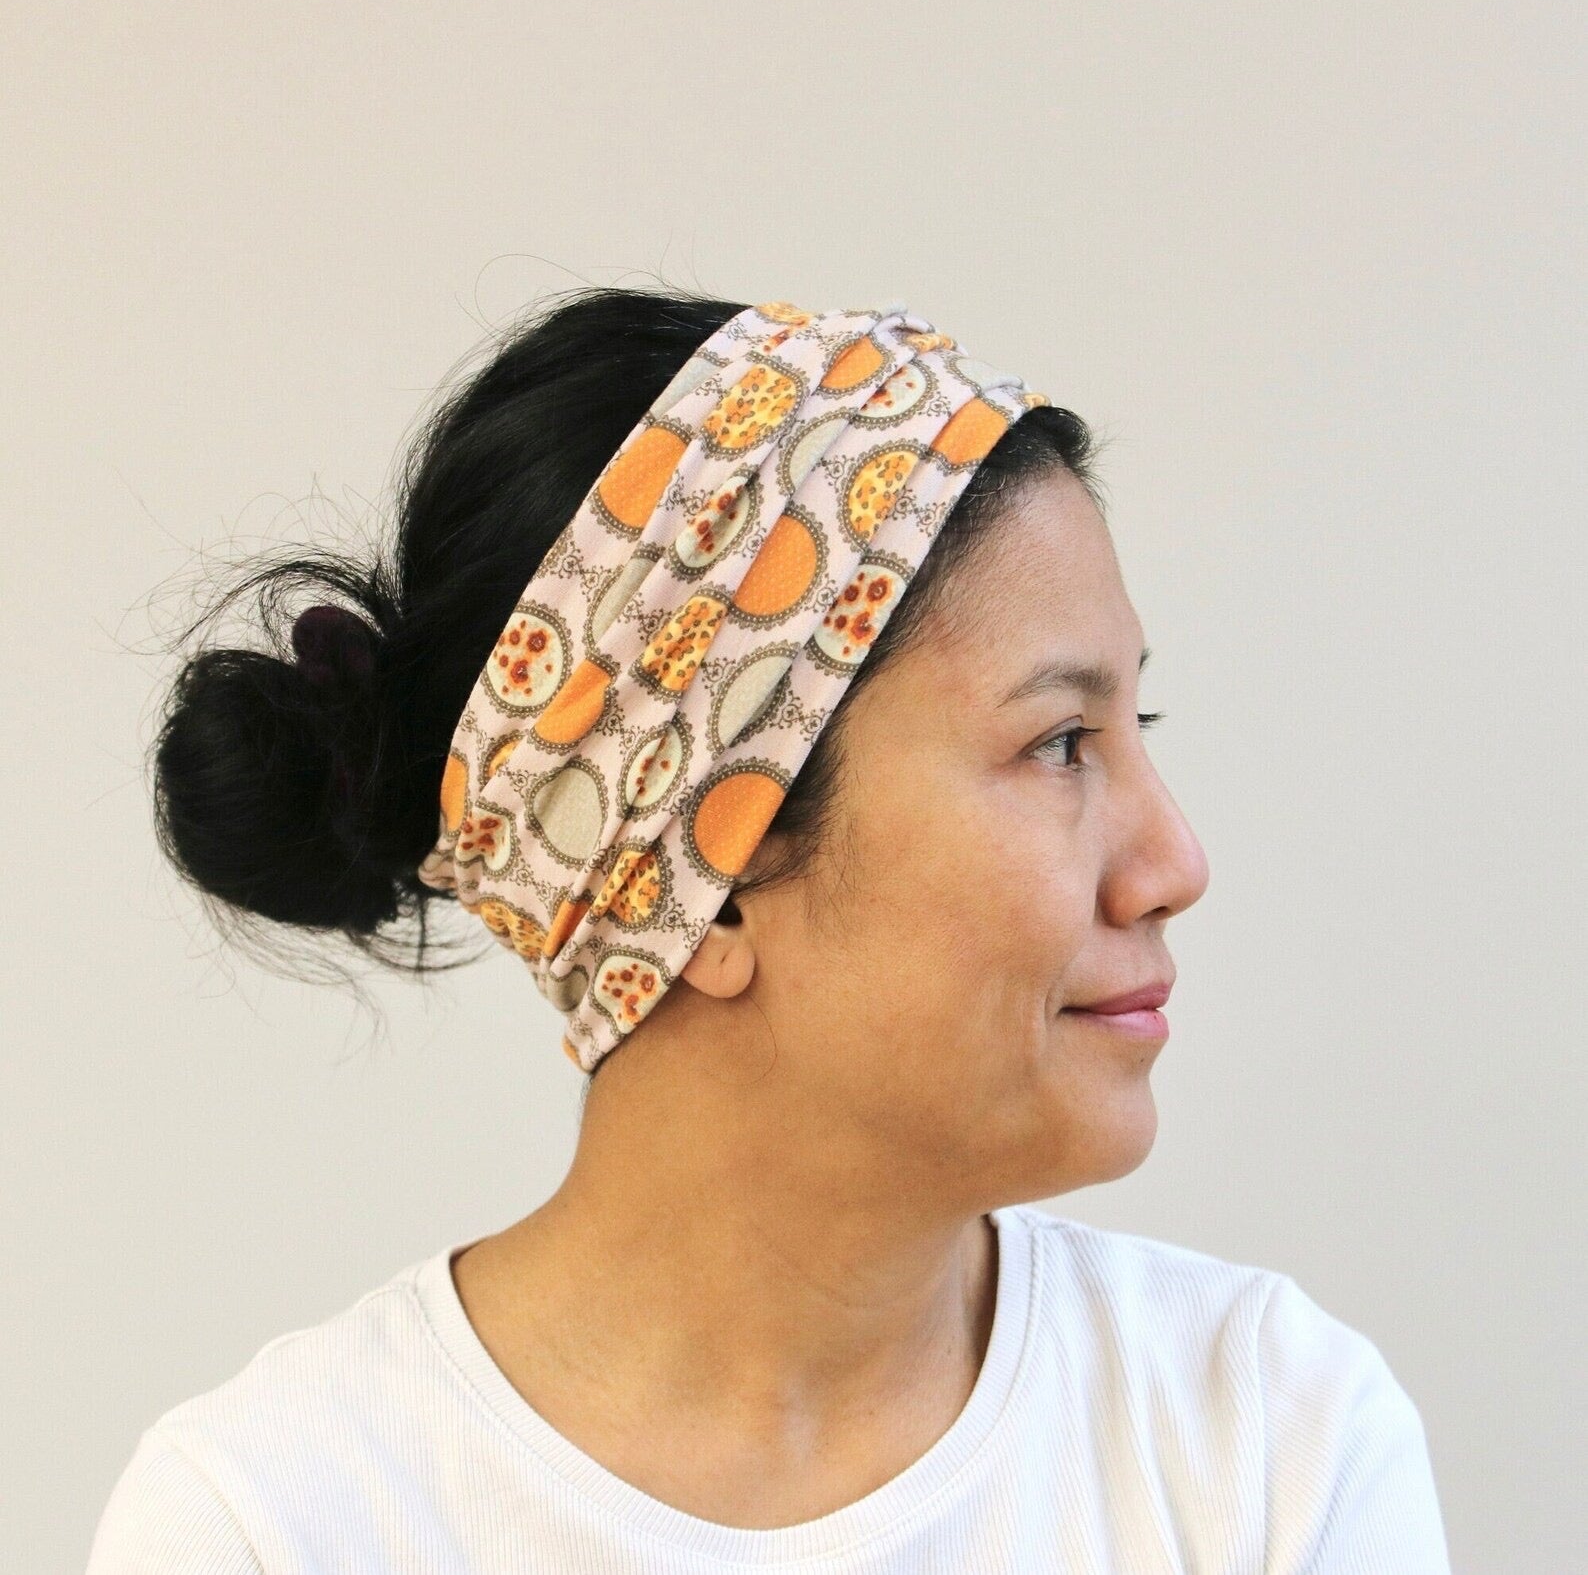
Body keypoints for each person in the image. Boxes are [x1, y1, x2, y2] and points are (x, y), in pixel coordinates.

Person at [86, 285, 1452, 1572]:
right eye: (1057, 744)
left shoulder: (1269, 1439)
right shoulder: (276, 1523)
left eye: (1128, 727)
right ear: (715, 872)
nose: (1175, 863)